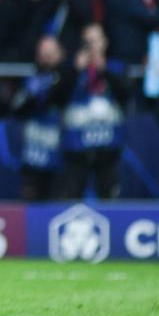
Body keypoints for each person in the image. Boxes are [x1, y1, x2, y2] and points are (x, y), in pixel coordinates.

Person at [52, 24, 131, 199]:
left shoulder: (116, 67)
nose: (92, 46)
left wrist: (105, 70)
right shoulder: (71, 69)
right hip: (76, 147)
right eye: (87, 42)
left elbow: (126, 94)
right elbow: (56, 98)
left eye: (95, 41)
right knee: (70, 197)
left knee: (110, 198)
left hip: (108, 145)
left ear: (105, 43)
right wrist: (74, 70)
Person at [9, 36, 65, 200]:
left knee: (58, 198)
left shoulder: (70, 77)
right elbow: (17, 107)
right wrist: (35, 94)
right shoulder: (31, 81)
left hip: (61, 152)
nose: (46, 57)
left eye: (51, 52)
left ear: (61, 54)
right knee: (31, 195)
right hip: (33, 151)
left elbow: (58, 97)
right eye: (43, 53)